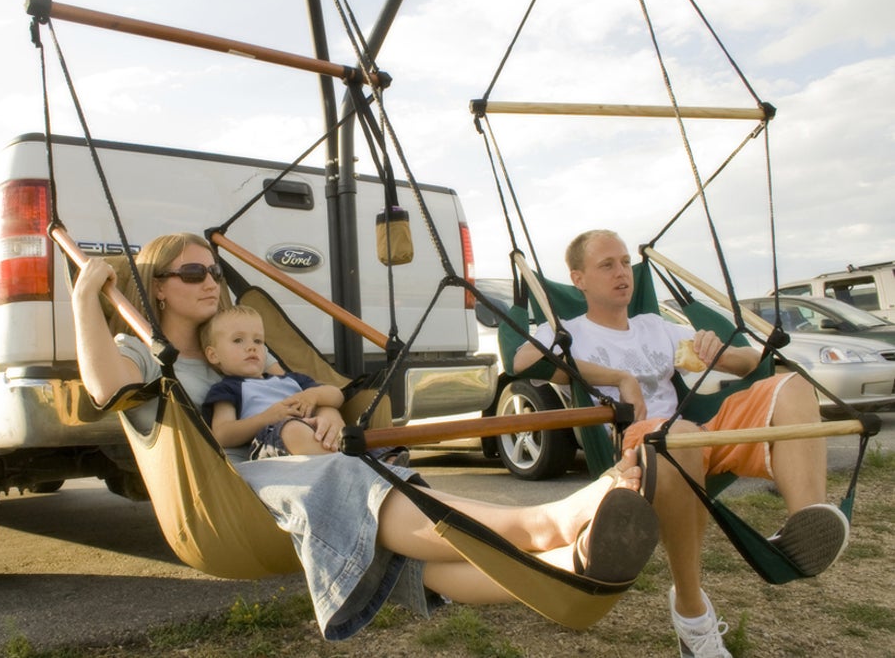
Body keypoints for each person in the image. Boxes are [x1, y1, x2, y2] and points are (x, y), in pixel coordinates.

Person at [72, 231, 660, 641]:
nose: (210, 282)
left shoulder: (243, 344)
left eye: (214, 271)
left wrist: (325, 413)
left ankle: (567, 566)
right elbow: (104, 387)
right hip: (233, 494)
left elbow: (311, 392)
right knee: (352, 480)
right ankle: (546, 523)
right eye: (194, 272)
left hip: (300, 476)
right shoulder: (147, 356)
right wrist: (83, 303)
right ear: (159, 285)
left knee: (409, 556)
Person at [512, 229, 850, 658]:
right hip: (637, 447)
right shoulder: (567, 330)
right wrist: (619, 378)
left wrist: (719, 353)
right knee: (680, 437)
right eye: (607, 265)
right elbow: (522, 362)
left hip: (692, 433)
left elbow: (753, 363)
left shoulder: (656, 327)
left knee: (792, 387)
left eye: (624, 262)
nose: (622, 273)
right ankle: (691, 610)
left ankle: (804, 524)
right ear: (578, 280)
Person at [200, 304, 409, 464]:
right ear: (213, 354)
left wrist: (313, 397)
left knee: (362, 437)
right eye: (238, 341)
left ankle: (383, 465)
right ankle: (358, 467)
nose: (251, 348)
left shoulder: (291, 380)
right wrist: (268, 417)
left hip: (318, 437)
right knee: (292, 429)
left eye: (258, 341)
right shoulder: (228, 388)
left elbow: (336, 395)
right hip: (273, 442)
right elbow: (223, 433)